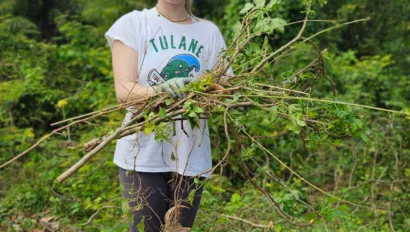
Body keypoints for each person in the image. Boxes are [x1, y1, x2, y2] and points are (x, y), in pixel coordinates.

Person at [105, 0, 231, 231]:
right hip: (142, 153)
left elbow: (224, 90)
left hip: (191, 153)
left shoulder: (209, 32)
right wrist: (159, 90)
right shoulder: (133, 24)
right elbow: (124, 92)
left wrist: (204, 92)